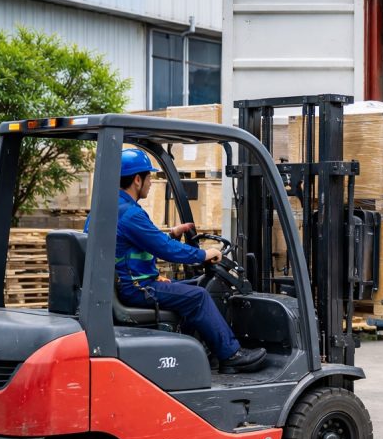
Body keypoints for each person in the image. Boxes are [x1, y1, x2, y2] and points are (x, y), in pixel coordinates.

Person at [96, 148, 266, 373]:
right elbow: (165, 250)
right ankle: (231, 354)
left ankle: (199, 349)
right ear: (137, 180)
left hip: (127, 284)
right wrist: (205, 254)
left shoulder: (107, 210)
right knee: (199, 297)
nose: (151, 182)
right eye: (150, 177)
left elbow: (139, 245)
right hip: (137, 288)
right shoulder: (131, 214)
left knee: (197, 284)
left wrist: (172, 235)